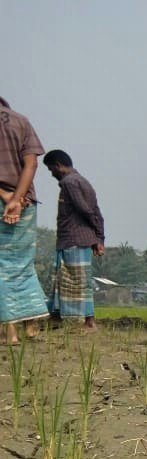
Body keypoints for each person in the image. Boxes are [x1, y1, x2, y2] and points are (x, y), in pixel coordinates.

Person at [0, 97, 48, 345]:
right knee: (23, 264)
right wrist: (17, 198)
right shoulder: (21, 121)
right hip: (25, 202)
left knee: (2, 266)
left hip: (6, 198)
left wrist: (4, 194)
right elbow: (31, 164)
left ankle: (9, 333)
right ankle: (30, 327)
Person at [42, 149, 105, 331]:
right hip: (78, 239)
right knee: (64, 279)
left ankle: (89, 321)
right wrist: (99, 237)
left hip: (74, 239)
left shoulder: (70, 183)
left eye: (50, 169)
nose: (51, 173)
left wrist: (98, 236)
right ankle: (56, 318)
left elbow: (86, 210)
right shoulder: (81, 181)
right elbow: (95, 211)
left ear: (58, 166)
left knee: (75, 280)